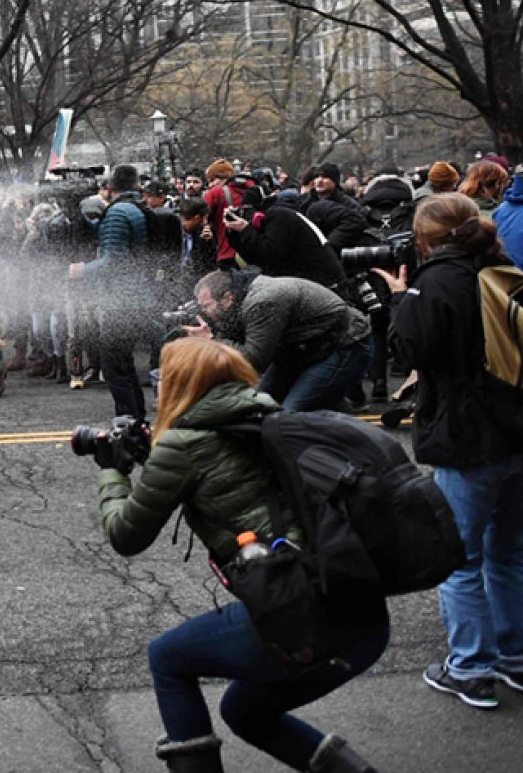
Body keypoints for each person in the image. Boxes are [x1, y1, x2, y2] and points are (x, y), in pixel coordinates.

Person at [96, 338, 385, 773]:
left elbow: (126, 536)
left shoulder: (183, 446)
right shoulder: (271, 417)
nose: (156, 386)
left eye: (162, 378)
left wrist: (112, 471)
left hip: (304, 622)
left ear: (179, 386)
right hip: (362, 619)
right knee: (245, 711)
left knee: (168, 658)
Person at [377, 193, 523, 709]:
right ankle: (513, 655)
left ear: (427, 237)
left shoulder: (437, 280)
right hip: (515, 429)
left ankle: (470, 667)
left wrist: (400, 297)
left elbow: (408, 352)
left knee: (458, 559)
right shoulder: (502, 268)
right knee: (508, 554)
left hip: (467, 436)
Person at [182, 269, 371, 412]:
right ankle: (332, 407)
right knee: (259, 405)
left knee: (290, 413)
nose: (204, 312)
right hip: (303, 349)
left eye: (207, 306)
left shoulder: (262, 302)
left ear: (227, 298)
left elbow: (254, 361)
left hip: (345, 343)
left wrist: (212, 342)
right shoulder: (239, 298)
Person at [68, 165, 152, 420]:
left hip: (122, 301)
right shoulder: (133, 209)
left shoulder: (117, 213)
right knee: (123, 364)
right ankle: (136, 420)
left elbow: (114, 259)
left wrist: (84, 269)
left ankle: (128, 423)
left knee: (114, 366)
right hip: (134, 298)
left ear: (109, 188)